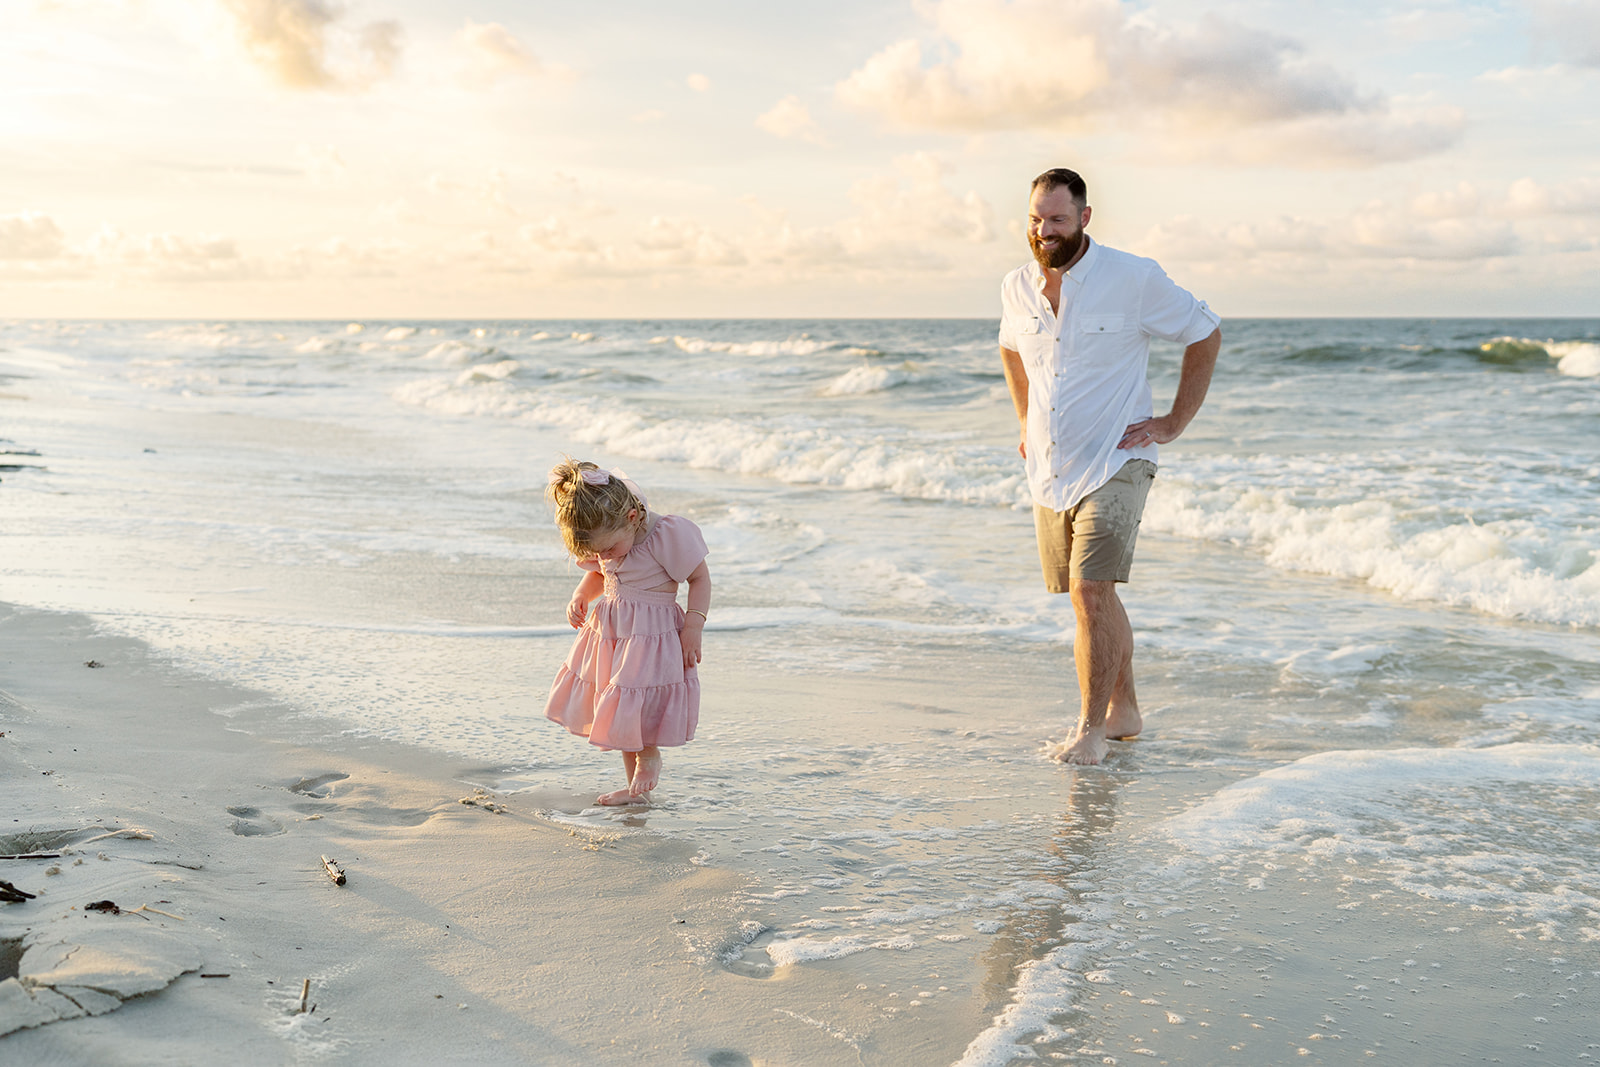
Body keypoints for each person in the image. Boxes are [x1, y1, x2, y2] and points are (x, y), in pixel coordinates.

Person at [998, 167, 1221, 766]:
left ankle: (1089, 730)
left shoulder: (1133, 277)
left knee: (1091, 589)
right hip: (1051, 465)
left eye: (1057, 220)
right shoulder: (1017, 286)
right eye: (1036, 219)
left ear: (1085, 219)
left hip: (1120, 457)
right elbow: (1011, 347)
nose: (1044, 231)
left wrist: (1173, 422)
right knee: (1087, 598)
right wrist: (1025, 421)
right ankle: (1124, 708)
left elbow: (1204, 332)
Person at [544, 458, 711, 804]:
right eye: (596, 551)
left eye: (607, 549)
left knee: (635, 697)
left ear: (632, 519)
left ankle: (649, 755)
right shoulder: (609, 536)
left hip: (651, 636)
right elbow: (600, 574)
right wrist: (580, 596)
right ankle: (633, 788)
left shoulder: (664, 536)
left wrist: (694, 624)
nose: (603, 556)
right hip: (613, 633)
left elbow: (699, 578)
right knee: (617, 704)